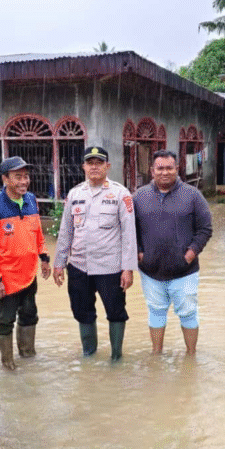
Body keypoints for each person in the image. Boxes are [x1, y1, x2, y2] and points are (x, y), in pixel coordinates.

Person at [53, 146, 137, 361]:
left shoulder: (120, 193)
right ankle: (88, 355)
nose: (94, 167)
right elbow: (66, 231)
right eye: (90, 163)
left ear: (107, 166)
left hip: (110, 267)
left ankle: (116, 357)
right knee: (82, 312)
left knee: (116, 312)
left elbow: (129, 234)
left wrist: (128, 268)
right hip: (79, 266)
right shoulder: (75, 194)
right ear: (83, 167)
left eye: (99, 163)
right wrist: (59, 263)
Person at [133, 149, 212, 355]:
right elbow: (129, 230)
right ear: (152, 171)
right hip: (151, 271)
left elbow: (205, 229)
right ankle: (156, 354)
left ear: (177, 169)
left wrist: (190, 254)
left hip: (185, 271)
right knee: (156, 312)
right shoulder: (139, 197)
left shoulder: (193, 195)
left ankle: (191, 356)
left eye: (169, 168)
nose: (165, 172)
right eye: (160, 168)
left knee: (188, 313)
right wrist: (139, 253)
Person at [0, 156, 51, 371]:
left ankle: (28, 354)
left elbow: (37, 233)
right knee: (4, 321)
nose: (24, 181)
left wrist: (44, 257)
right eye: (17, 176)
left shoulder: (31, 200)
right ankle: (7, 363)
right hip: (6, 279)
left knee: (30, 315)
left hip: (29, 275)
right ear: (5, 179)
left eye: (26, 176)